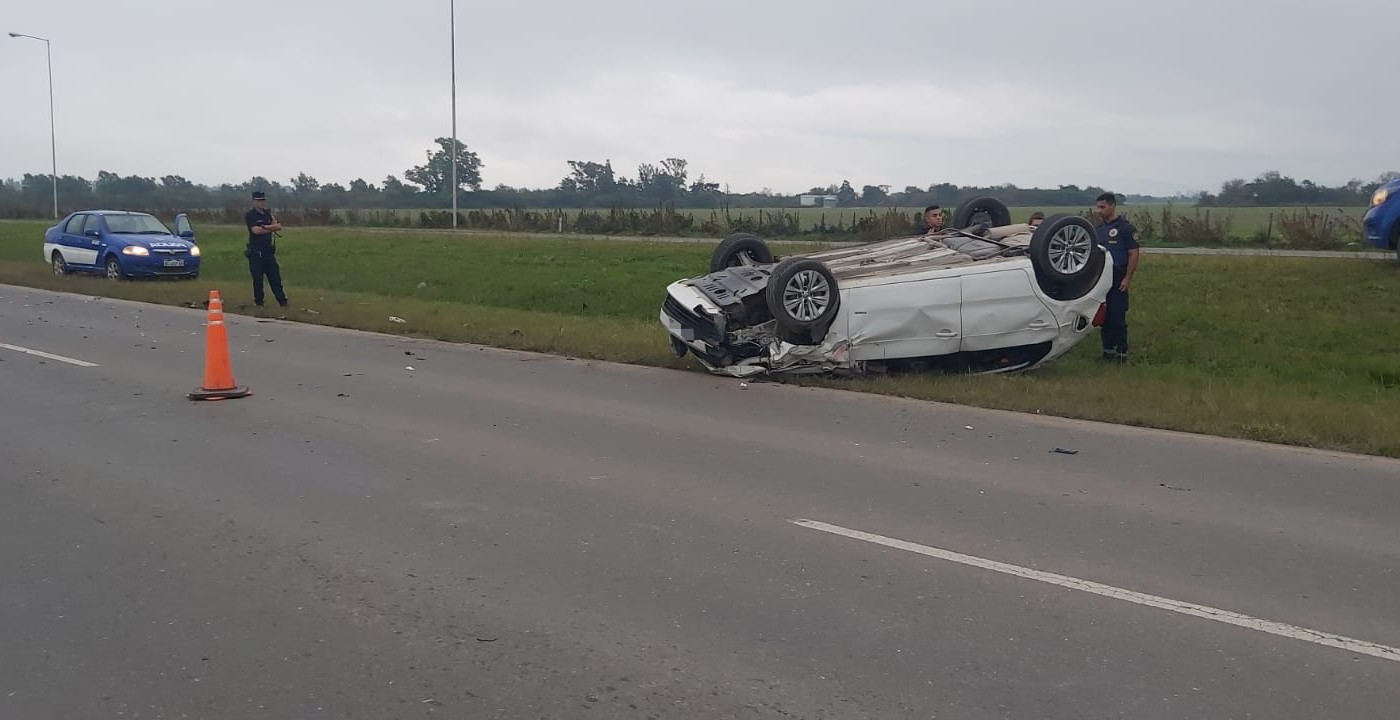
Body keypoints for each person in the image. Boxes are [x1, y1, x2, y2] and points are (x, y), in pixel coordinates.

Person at [1093, 192, 1140, 361]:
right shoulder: (1098, 230)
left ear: (1112, 206)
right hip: (1101, 277)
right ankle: (1107, 351)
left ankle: (1122, 352)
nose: (1099, 211)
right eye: (1098, 207)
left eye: (1103, 207)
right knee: (1104, 316)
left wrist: (1127, 278)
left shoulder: (1125, 228)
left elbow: (1133, 253)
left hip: (1118, 275)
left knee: (1117, 316)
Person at [244, 190, 288, 308]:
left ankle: (283, 302)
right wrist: (271, 228)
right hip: (256, 252)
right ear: (254, 201)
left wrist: (265, 227)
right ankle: (259, 303)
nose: (262, 203)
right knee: (258, 280)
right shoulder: (250, 215)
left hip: (268, 251)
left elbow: (279, 226)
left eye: (263, 200)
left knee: (275, 278)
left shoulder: (268, 214)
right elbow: (256, 231)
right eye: (259, 200)